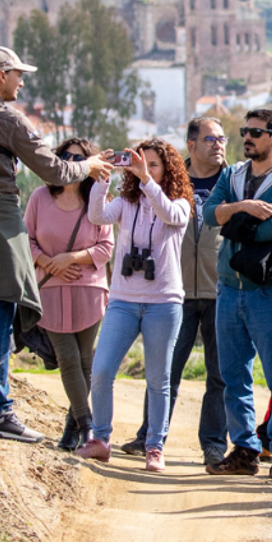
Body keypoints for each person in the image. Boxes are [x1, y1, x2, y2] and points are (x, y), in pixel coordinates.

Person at [0, 45, 112, 442]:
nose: (22, 82)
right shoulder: (10, 119)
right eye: (18, 75)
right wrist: (90, 166)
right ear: (2, 76)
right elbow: (54, 169)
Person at [75, 139, 192, 472]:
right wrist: (102, 177)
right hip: (124, 301)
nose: (146, 169)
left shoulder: (180, 202)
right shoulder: (126, 202)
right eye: (142, 164)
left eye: (154, 165)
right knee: (101, 371)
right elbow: (96, 214)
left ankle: (154, 446)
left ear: (167, 170)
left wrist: (147, 182)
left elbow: (169, 215)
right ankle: (100, 439)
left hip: (164, 303)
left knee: (158, 379)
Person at [120, 118, 230, 468]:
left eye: (222, 138)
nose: (218, 145)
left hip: (220, 288)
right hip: (173, 289)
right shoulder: (169, 180)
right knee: (163, 369)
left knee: (219, 374)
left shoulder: (236, 181)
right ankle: (150, 437)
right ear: (191, 144)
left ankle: (214, 444)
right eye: (210, 138)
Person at [204, 109, 272, 480]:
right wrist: (243, 209)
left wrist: (234, 225)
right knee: (234, 376)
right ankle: (245, 450)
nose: (247, 137)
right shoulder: (232, 174)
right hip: (230, 289)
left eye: (256, 132)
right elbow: (209, 214)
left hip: (269, 294)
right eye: (245, 131)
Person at [24, 137, 115, 452]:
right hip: (49, 287)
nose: (72, 161)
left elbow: (106, 247)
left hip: (88, 288)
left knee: (85, 359)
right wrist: (49, 263)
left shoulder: (97, 201)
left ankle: (72, 425)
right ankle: (87, 425)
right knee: (66, 357)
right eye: (66, 156)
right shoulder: (39, 198)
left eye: (79, 157)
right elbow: (28, 238)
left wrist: (70, 259)